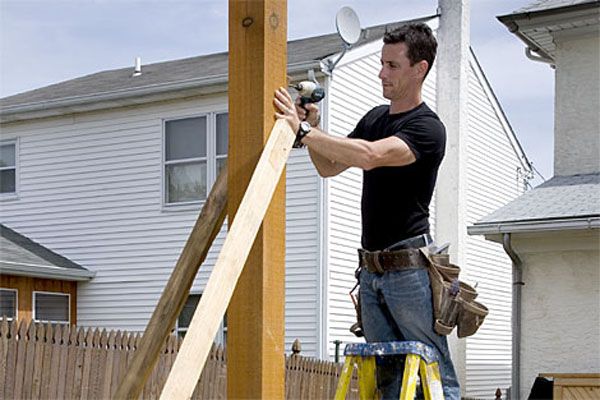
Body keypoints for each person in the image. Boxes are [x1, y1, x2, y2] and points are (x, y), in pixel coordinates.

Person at [274, 23, 459, 399]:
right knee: (387, 382)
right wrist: (313, 127)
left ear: (419, 69)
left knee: (433, 374)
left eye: (392, 65)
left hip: (409, 270)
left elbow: (371, 157)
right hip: (371, 272)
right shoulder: (375, 119)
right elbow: (329, 166)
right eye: (381, 64)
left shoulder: (427, 128)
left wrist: (304, 133)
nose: (381, 73)